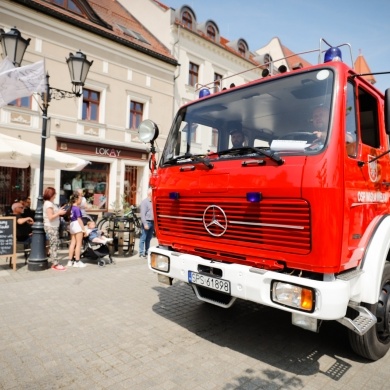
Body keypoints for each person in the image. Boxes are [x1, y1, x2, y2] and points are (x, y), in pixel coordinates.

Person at [43, 187, 67, 271]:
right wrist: (59, 213)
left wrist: (59, 211)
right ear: (51, 194)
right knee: (54, 244)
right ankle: (55, 263)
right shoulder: (48, 204)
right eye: (55, 193)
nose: (56, 195)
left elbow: (54, 214)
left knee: (54, 244)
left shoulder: (50, 203)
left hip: (54, 226)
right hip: (51, 226)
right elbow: (50, 217)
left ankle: (55, 262)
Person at [66, 191, 87, 268]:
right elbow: (79, 220)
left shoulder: (71, 207)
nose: (81, 200)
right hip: (77, 225)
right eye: (80, 198)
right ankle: (77, 261)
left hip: (72, 224)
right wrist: (83, 229)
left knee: (72, 243)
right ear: (76, 199)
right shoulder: (77, 209)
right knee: (78, 244)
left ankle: (70, 260)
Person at [139, 188, 154, 258]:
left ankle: (147, 251)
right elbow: (142, 214)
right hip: (147, 222)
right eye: (153, 193)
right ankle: (141, 253)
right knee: (143, 238)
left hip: (152, 222)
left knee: (149, 238)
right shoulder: (145, 202)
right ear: (150, 194)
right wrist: (145, 223)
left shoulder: (153, 201)